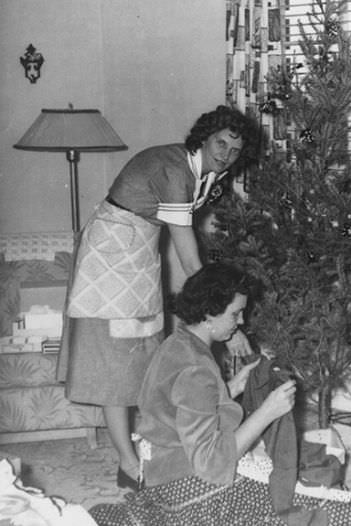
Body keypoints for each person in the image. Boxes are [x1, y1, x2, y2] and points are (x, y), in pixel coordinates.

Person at [61, 105, 260, 490]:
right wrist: (226, 321)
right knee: (113, 364)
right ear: (203, 138)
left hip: (140, 256)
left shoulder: (207, 175)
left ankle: (153, 450)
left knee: (147, 360)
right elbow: (188, 256)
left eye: (235, 150)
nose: (226, 154)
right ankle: (127, 462)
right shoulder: (174, 168)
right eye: (220, 143)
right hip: (110, 258)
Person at [89, 262, 351, 526]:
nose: (241, 321)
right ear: (209, 314)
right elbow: (211, 463)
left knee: (305, 489)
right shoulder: (195, 370)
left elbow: (186, 407)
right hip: (189, 488)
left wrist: (233, 387)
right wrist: (267, 411)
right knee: (343, 512)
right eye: (235, 314)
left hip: (165, 470)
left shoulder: (179, 343)